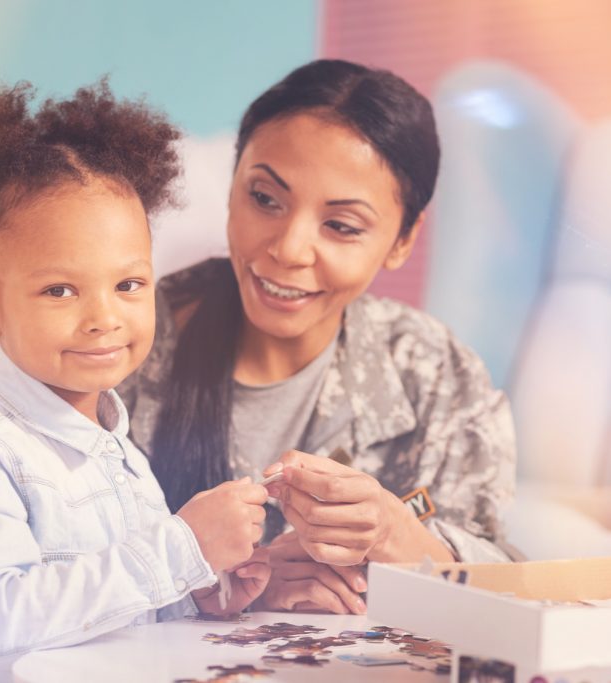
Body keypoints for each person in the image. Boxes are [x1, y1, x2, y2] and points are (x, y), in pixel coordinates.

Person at [0, 79, 269, 683]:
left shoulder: (118, 449)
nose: (104, 318)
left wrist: (200, 593)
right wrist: (181, 548)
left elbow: (113, 610)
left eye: (128, 285)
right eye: (60, 290)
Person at [119, 59, 517, 616]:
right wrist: (226, 593)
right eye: (264, 198)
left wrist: (394, 536)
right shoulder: (122, 339)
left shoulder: (435, 373)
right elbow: (42, 578)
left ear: (402, 240)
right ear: (233, 184)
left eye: (342, 226)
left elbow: (508, 588)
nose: (289, 248)